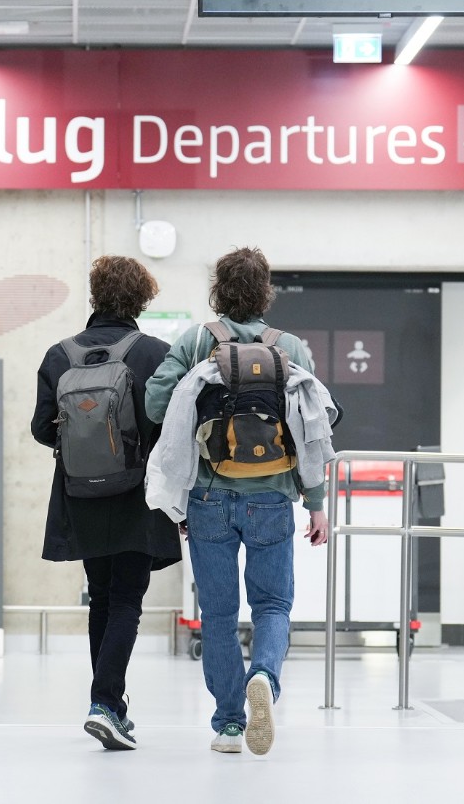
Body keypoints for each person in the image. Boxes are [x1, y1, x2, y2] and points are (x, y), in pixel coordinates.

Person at [144, 247, 329, 757]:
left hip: (208, 496)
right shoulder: (289, 347)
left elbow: (155, 403)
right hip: (273, 496)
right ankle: (264, 678)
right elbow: (311, 431)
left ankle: (228, 725)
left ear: (218, 289)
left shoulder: (197, 341)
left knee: (220, 614)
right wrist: (316, 504)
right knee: (273, 603)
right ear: (266, 291)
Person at [30, 255, 182, 751]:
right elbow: (167, 427)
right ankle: (104, 703)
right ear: (142, 298)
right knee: (126, 601)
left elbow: (39, 428)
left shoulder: (60, 355)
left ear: (95, 296)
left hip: (83, 492)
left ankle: (110, 706)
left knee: (101, 597)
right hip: (139, 494)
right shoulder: (155, 353)